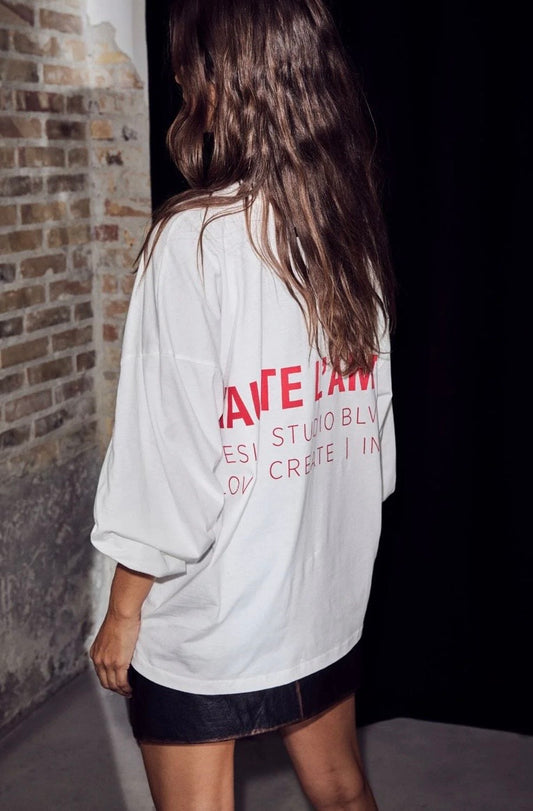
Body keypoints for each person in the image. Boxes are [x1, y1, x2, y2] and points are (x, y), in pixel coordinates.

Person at [89, 0, 396, 808]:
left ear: (224, 77)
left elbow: (168, 464)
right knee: (341, 788)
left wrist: (123, 609)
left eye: (189, 60)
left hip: (214, 614)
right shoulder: (343, 233)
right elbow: (371, 440)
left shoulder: (194, 241)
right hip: (317, 596)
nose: (180, 76)